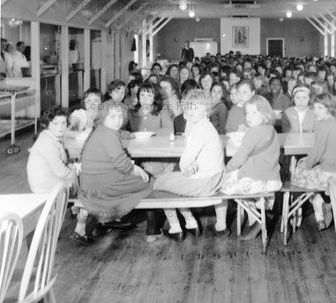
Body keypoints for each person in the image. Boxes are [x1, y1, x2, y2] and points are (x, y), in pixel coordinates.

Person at [153, 89, 228, 241]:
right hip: (216, 178)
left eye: (196, 106)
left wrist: (187, 167)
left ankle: (175, 227)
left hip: (205, 183)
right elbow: (190, 151)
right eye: (189, 106)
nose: (191, 110)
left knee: (158, 183)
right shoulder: (205, 125)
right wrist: (188, 167)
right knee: (173, 179)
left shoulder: (200, 130)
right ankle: (189, 222)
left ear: (206, 110)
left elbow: (184, 161)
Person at [74, 101, 151, 245]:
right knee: (148, 182)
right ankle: (113, 216)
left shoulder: (101, 130)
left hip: (89, 182)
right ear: (103, 117)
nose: (117, 120)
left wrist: (135, 169)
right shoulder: (109, 133)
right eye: (112, 117)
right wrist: (138, 170)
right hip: (101, 184)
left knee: (142, 179)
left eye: (120, 116)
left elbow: (117, 161)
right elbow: (122, 163)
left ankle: (105, 218)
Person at [221, 95, 282, 240]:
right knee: (235, 183)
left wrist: (227, 168)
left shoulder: (253, 132)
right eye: (247, 113)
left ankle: (257, 218)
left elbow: (240, 157)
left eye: (253, 113)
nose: (249, 117)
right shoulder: (271, 130)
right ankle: (254, 219)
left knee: (225, 186)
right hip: (272, 179)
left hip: (256, 180)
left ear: (265, 114)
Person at [292, 94, 336, 229]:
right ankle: (320, 210)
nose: (316, 111)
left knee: (296, 172)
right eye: (315, 108)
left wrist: (306, 165)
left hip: (330, 177)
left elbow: (317, 151)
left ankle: (318, 204)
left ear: (329, 108)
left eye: (320, 108)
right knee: (309, 167)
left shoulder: (322, 125)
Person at [27, 106, 78, 194]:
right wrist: (77, 175)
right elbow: (61, 172)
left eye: (63, 123)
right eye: (55, 123)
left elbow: (61, 163)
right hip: (45, 189)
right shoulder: (48, 143)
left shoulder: (50, 137)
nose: (60, 127)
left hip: (48, 183)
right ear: (47, 124)